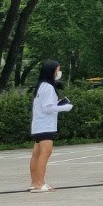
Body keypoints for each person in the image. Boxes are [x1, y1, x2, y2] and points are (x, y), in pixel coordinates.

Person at [29, 59, 72, 192]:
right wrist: (64, 107)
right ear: (51, 71)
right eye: (58, 70)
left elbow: (46, 105)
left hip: (38, 125)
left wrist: (57, 104)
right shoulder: (48, 87)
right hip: (45, 125)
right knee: (45, 153)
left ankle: (35, 182)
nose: (59, 72)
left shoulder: (41, 85)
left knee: (37, 154)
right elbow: (47, 108)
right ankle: (40, 183)